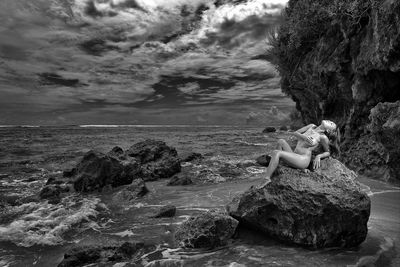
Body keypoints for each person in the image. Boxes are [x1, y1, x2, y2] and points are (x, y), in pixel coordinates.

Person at [257, 120, 340, 188]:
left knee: (276, 152)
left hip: (303, 159)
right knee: (281, 141)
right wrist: (304, 137)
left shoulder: (323, 137)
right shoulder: (311, 126)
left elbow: (328, 152)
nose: (330, 121)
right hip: (295, 154)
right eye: (330, 121)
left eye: (331, 124)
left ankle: (267, 179)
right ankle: (278, 166)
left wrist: (319, 156)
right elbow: (295, 133)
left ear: (328, 130)